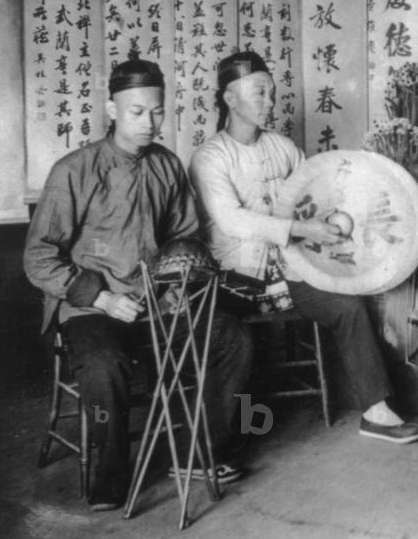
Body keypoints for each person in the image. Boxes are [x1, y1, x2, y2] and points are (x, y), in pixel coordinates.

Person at [24, 59, 253, 511]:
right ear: (112, 108)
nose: (149, 122)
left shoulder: (166, 165)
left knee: (233, 339)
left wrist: (176, 284)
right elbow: (38, 256)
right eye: (136, 112)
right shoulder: (75, 170)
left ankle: (200, 451)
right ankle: (111, 479)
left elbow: (184, 234)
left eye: (157, 111)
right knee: (106, 365)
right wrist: (104, 298)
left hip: (157, 304)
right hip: (91, 308)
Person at [188, 51, 418, 445]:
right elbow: (232, 221)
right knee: (241, 341)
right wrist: (299, 228)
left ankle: (375, 411)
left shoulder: (284, 148)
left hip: (291, 273)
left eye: (272, 93)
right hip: (233, 280)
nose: (270, 102)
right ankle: (228, 438)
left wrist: (337, 221)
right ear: (229, 98)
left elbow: (317, 195)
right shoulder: (211, 156)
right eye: (259, 93)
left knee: (347, 306)